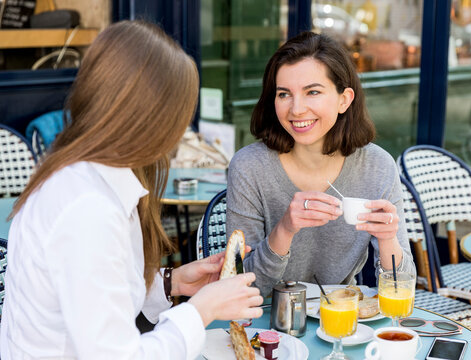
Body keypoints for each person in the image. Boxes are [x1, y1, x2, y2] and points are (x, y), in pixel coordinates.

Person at [0, 21, 262, 359]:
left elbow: (94, 295)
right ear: (151, 119)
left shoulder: (83, 178)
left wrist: (173, 283)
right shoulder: (88, 208)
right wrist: (201, 310)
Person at [226, 31, 415, 297]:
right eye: (284, 94)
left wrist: (387, 240)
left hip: (340, 320)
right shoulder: (250, 167)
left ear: (344, 99)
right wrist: (285, 230)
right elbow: (241, 287)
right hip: (266, 326)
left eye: (312, 92)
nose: (297, 109)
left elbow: (400, 288)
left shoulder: (376, 166)